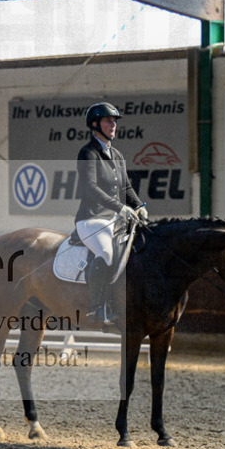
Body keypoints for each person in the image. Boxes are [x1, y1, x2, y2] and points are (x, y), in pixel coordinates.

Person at [74, 102, 148, 326]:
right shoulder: (88, 153)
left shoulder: (116, 154)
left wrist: (138, 205)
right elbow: (90, 188)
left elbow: (125, 187)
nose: (113, 124)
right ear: (95, 125)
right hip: (91, 220)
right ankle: (98, 308)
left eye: (115, 121)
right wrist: (120, 208)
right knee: (106, 253)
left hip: (114, 220)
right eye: (108, 121)